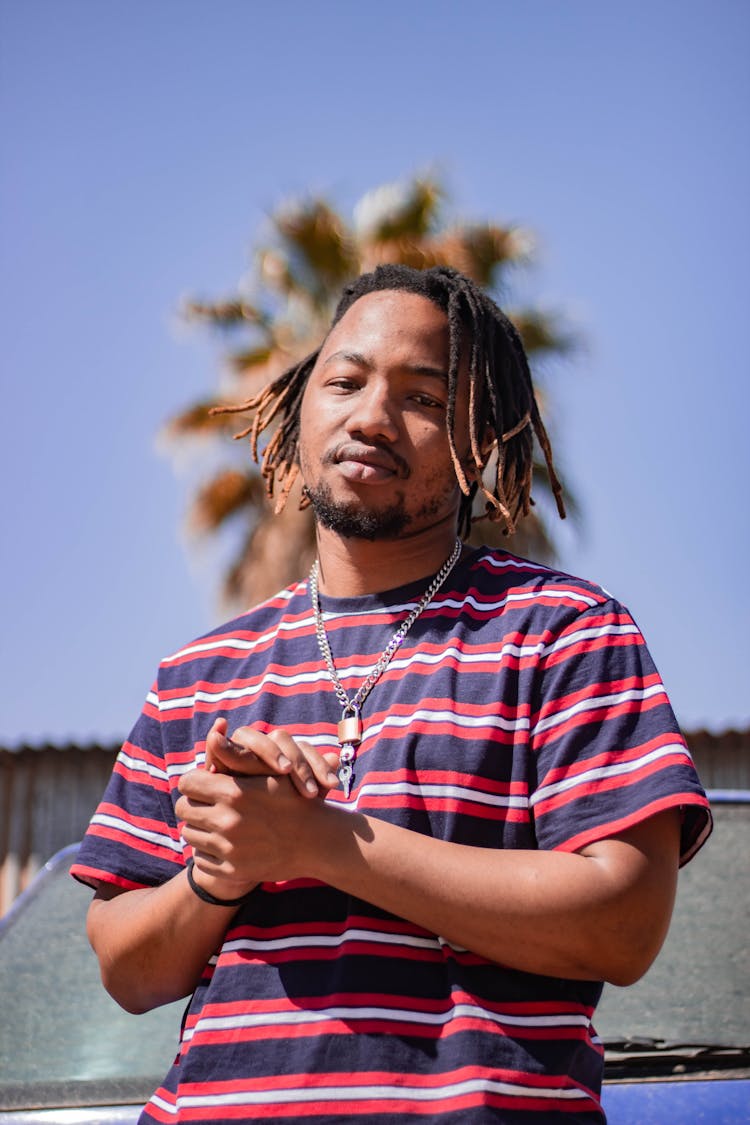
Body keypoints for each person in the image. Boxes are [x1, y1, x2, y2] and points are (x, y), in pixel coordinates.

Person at [73, 264, 711, 1123]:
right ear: (303, 404)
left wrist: (322, 841)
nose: (372, 416)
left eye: (422, 397)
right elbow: (125, 965)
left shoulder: (563, 631)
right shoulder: (200, 671)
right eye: (345, 380)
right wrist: (227, 868)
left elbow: (624, 925)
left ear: (477, 437)